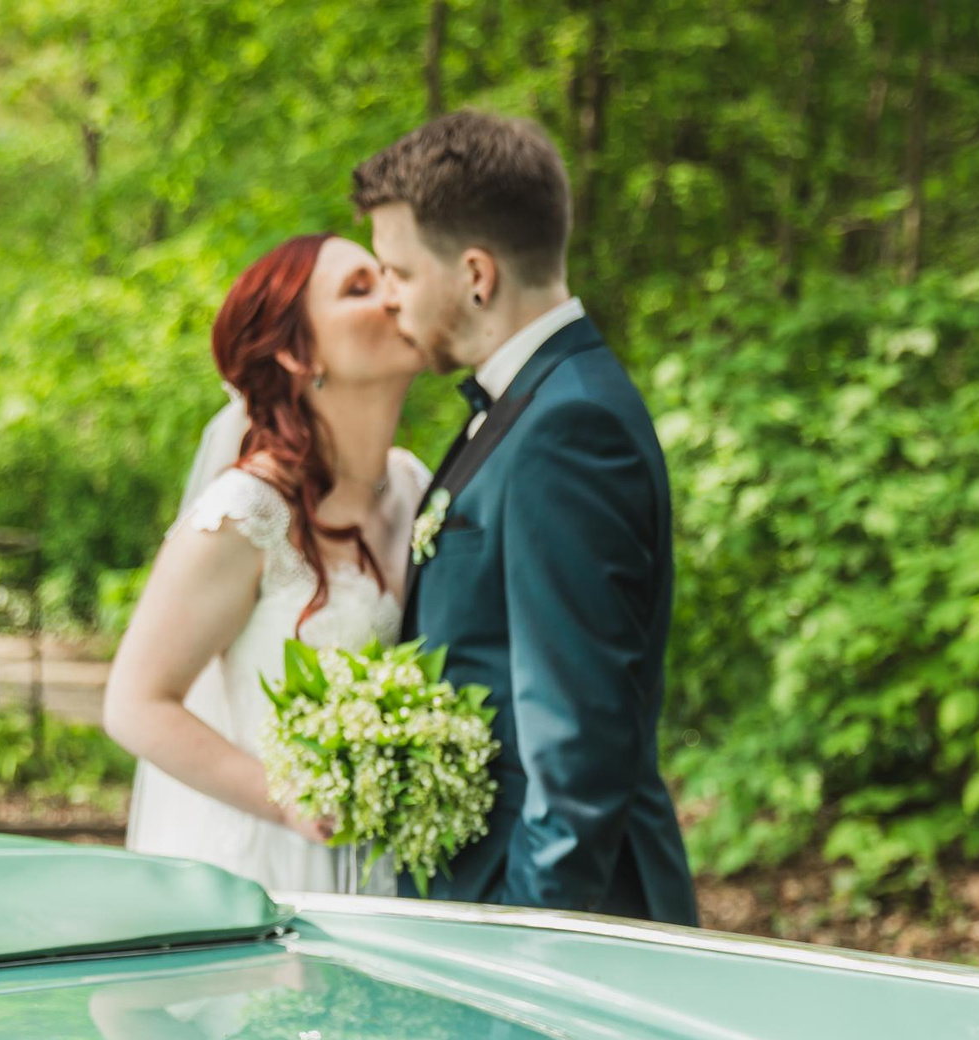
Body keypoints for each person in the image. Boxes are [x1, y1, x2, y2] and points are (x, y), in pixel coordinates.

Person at [352, 111, 698, 925]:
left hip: (559, 923)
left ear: (476, 273)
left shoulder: (569, 429)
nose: (389, 298)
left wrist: (521, 956)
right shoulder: (532, 403)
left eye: (398, 271)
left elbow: (577, 754)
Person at [106, 234, 430, 893]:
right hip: (277, 870)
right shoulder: (247, 513)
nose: (395, 296)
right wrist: (290, 800)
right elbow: (135, 703)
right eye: (359, 289)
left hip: (390, 866)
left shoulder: (413, 484)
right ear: (296, 351)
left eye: (390, 276)